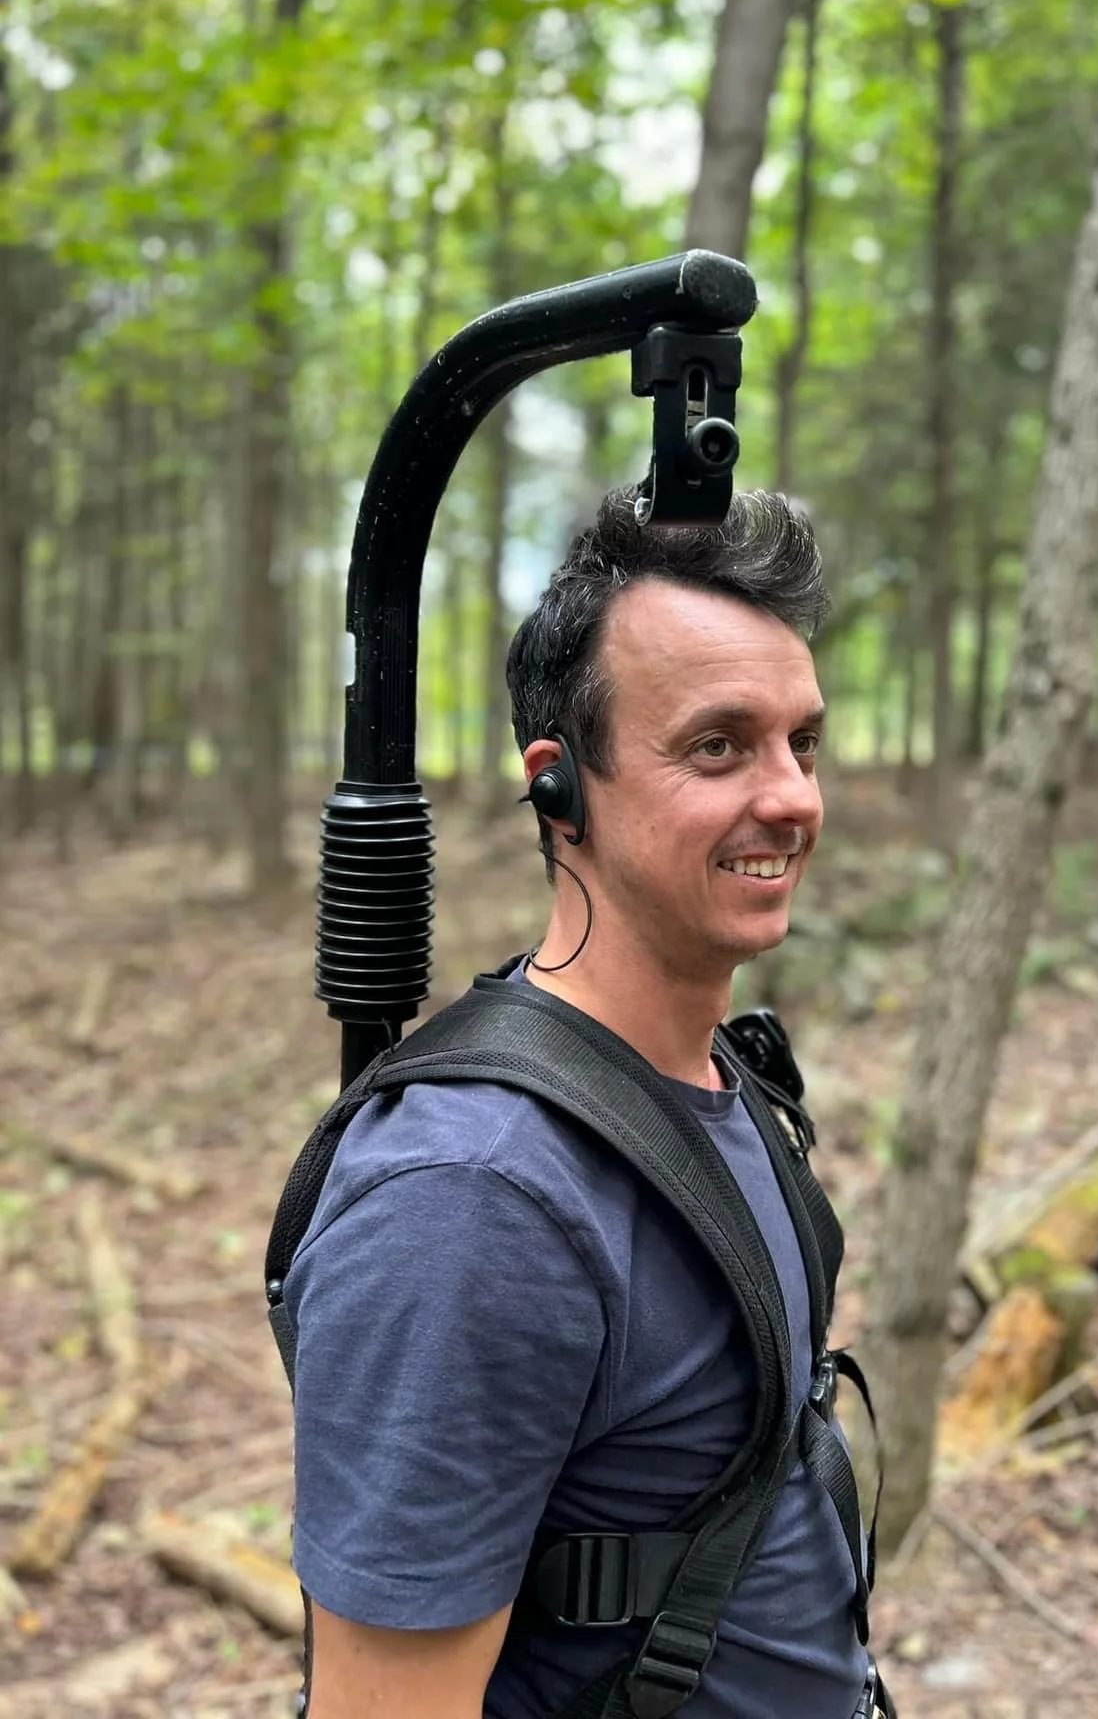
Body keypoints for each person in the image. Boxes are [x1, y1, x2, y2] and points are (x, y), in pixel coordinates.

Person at [283, 485, 875, 1718]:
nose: (792, 797)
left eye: (801, 742)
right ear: (561, 788)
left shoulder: (725, 1077)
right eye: (719, 746)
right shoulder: (475, 1201)